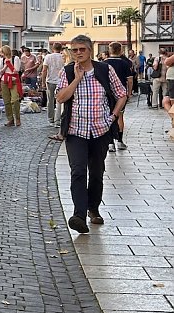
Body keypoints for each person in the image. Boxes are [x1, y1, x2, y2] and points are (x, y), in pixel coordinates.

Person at [56, 34, 128, 234]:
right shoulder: (68, 71)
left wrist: (113, 117)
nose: (78, 53)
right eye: (75, 50)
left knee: (96, 173)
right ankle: (79, 215)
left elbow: (121, 94)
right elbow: (60, 98)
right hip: (75, 130)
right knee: (78, 171)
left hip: (100, 130)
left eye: (82, 49)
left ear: (90, 50)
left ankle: (93, 208)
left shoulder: (105, 69)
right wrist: (77, 79)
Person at [105, 42, 135, 152]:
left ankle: (110, 143)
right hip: (121, 94)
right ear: (120, 50)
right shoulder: (125, 63)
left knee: (109, 115)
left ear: (110, 50)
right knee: (120, 116)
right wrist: (129, 92)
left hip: (108, 94)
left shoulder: (104, 63)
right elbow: (130, 80)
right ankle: (120, 141)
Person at [41, 42, 66, 133]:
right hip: (61, 81)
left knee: (50, 100)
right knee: (59, 101)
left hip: (50, 80)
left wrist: (43, 81)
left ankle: (50, 118)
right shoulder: (63, 57)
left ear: (52, 48)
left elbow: (44, 70)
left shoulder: (48, 57)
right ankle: (57, 120)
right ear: (61, 48)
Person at [0, 45, 22, 128]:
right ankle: (10, 119)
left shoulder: (15, 59)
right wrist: (5, 66)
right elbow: (0, 72)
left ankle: (17, 118)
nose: (1, 54)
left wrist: (9, 64)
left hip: (14, 80)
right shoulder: (2, 60)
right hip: (4, 81)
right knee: (6, 101)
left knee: (15, 100)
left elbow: (16, 70)